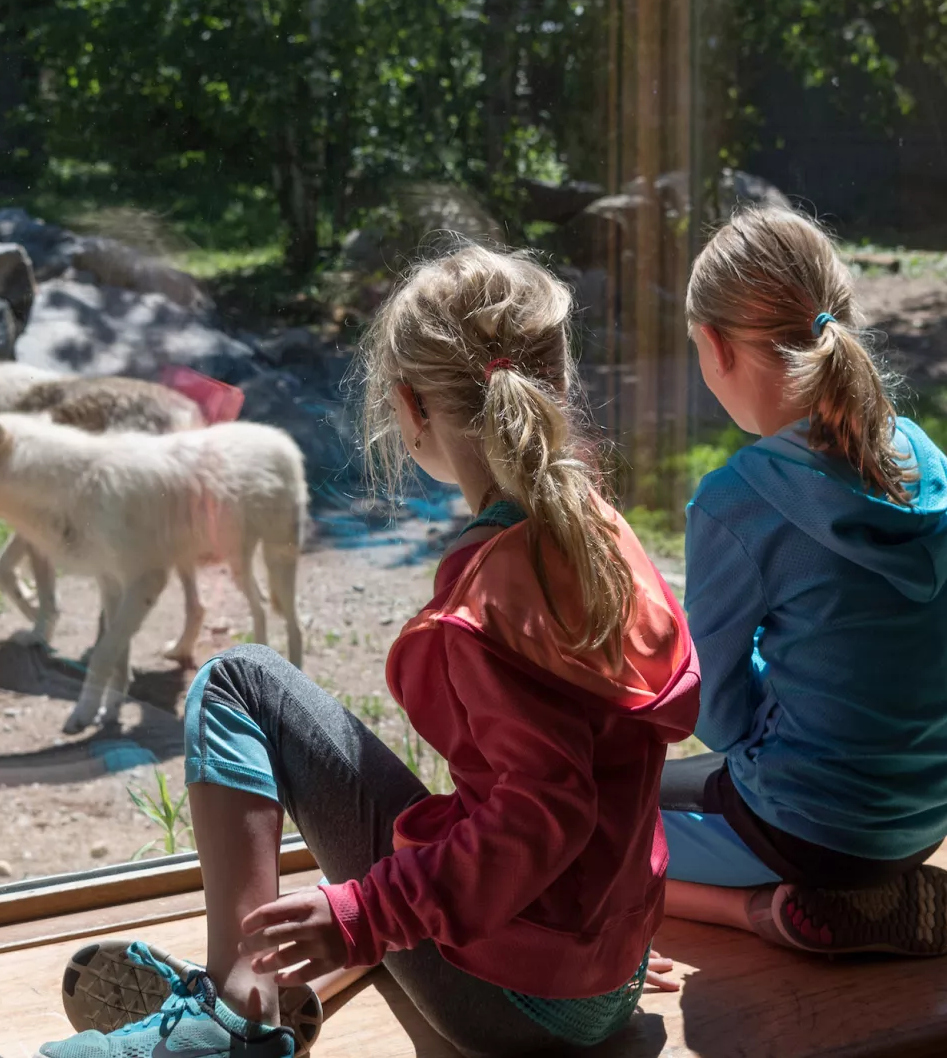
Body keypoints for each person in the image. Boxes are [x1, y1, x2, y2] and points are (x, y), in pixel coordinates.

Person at [35, 244, 700, 1058]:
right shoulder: (599, 531)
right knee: (389, 875)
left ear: (409, 408)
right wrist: (602, 935)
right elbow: (594, 784)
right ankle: (286, 988)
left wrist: (366, 915)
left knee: (239, 682)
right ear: (558, 380)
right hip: (594, 965)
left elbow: (542, 816)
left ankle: (236, 1016)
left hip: (516, 1005)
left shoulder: (493, 592)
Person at [658, 206, 947, 956]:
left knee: (586, 835)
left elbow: (719, 714)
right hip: (931, 811)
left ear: (714, 346)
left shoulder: (739, 500)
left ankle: (766, 909)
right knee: (669, 787)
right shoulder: (930, 464)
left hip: (807, 832)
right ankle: (877, 892)